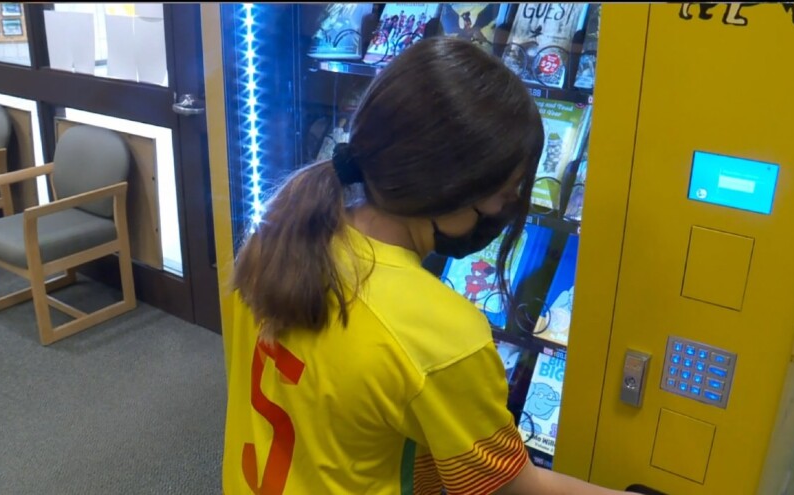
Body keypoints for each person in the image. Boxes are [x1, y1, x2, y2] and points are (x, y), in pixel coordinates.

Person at [224, 36, 633, 495]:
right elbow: (512, 489)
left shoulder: (278, 237)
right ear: (455, 188)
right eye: (507, 190)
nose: (510, 205)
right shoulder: (441, 334)